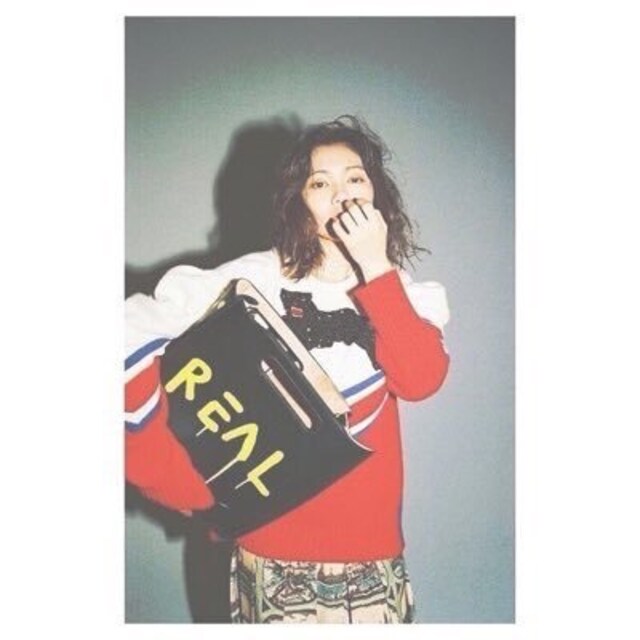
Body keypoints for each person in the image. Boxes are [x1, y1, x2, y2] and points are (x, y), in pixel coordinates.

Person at [125, 115, 451, 623]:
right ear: (298, 198)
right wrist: (170, 475)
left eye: (356, 178)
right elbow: (128, 335)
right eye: (320, 182)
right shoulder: (254, 277)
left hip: (372, 557)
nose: (342, 194)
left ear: (377, 194)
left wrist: (376, 268)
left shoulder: (402, 293)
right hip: (269, 557)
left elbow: (420, 379)